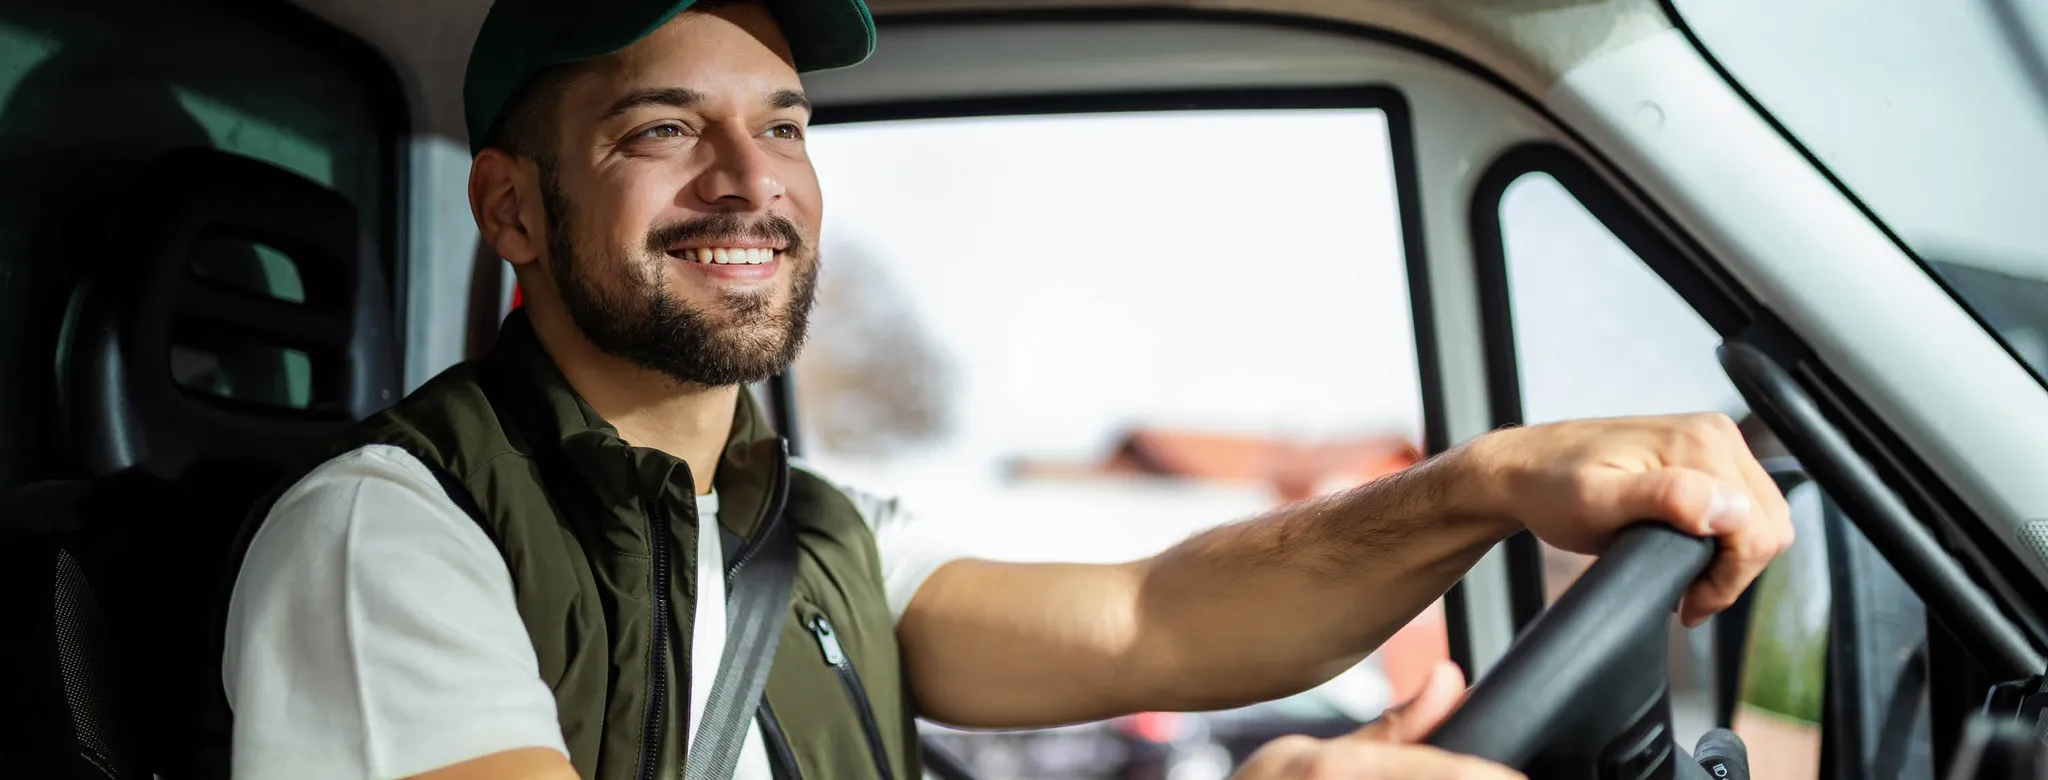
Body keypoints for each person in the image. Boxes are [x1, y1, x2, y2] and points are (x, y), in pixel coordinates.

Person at [212, 1, 1794, 778]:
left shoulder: (803, 528)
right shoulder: (393, 541)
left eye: (786, 124)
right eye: (660, 130)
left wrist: (1485, 485)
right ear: (510, 211)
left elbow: (1156, 620)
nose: (752, 185)